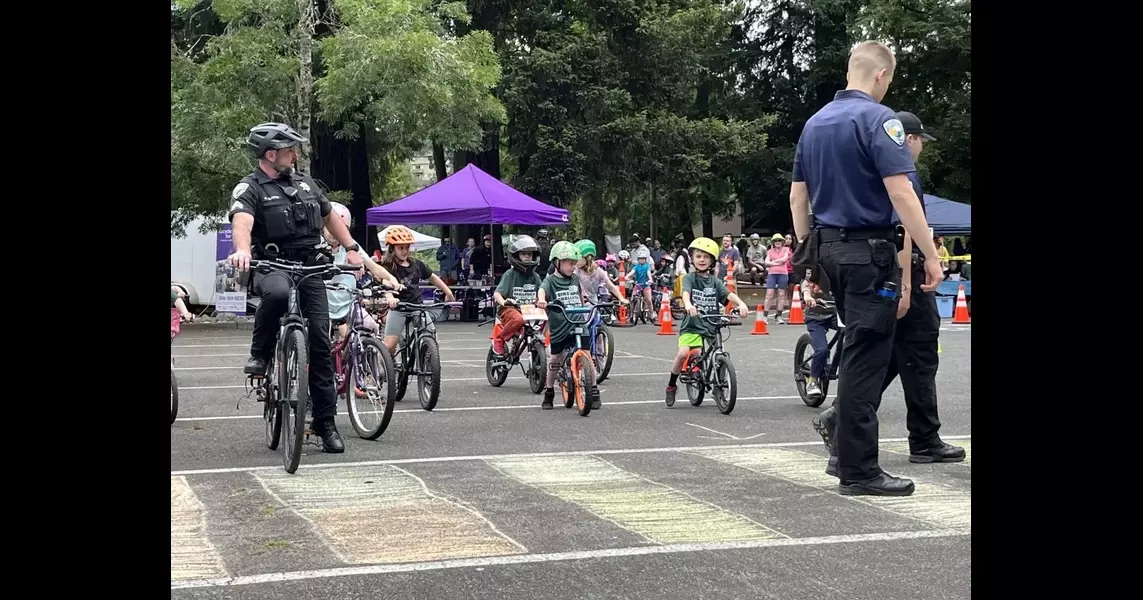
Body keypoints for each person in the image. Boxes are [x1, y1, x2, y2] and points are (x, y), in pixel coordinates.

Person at [788, 42, 943, 496]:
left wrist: (808, 258)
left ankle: (852, 458)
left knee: (860, 346)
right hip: (869, 253)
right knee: (866, 357)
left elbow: (799, 199)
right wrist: (931, 255)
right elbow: (900, 193)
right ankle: (857, 468)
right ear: (881, 76)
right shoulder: (880, 120)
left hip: (830, 249)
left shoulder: (814, 123)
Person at [813, 111, 965, 473]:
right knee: (915, 353)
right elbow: (904, 227)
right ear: (909, 139)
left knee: (894, 355)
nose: (921, 150)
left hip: (876, 267)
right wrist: (907, 286)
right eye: (921, 143)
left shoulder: (870, 162)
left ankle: (855, 421)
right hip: (901, 268)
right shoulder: (900, 169)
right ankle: (920, 438)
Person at [226, 122, 363, 453]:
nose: (295, 155)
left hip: (310, 266)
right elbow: (241, 221)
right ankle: (260, 354)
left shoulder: (307, 184)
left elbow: (330, 217)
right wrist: (243, 250)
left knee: (319, 338)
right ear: (270, 155)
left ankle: (325, 423)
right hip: (272, 264)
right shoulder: (250, 188)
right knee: (275, 294)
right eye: (289, 151)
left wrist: (352, 247)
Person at [664, 237, 750, 406]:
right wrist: (688, 304)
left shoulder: (714, 281)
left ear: (712, 260)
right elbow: (686, 293)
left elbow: (728, 294)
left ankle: (716, 384)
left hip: (711, 323)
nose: (702, 260)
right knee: (683, 354)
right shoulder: (690, 278)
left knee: (718, 352)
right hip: (693, 324)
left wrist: (741, 304)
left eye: (706, 257)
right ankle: (671, 385)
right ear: (693, 259)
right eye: (698, 256)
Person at [324, 202, 400, 341]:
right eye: (330, 229)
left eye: (340, 229)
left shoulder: (351, 246)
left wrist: (391, 278)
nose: (334, 234)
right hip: (323, 305)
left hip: (348, 304)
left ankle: (365, 360)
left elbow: (373, 266)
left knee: (371, 327)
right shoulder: (317, 245)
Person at [379, 226, 456, 358]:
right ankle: (386, 369)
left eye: (407, 247)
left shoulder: (416, 264)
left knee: (432, 335)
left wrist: (448, 293)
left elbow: (433, 277)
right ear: (392, 249)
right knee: (389, 345)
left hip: (417, 307)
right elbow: (386, 282)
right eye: (400, 248)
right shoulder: (388, 266)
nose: (404, 251)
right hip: (399, 308)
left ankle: (428, 363)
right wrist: (390, 297)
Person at [536, 241, 589, 410]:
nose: (573, 267)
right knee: (556, 359)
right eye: (570, 263)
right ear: (557, 262)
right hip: (560, 325)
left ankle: (593, 390)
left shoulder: (574, 278)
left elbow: (579, 294)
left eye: (575, 263)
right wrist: (543, 300)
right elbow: (542, 290)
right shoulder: (550, 280)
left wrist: (584, 304)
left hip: (578, 321)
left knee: (587, 355)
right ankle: (549, 391)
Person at [491, 235, 543, 358]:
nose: (527, 256)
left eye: (530, 254)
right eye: (524, 253)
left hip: (529, 309)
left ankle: (540, 344)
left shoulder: (535, 276)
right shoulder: (510, 275)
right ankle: (499, 338)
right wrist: (503, 302)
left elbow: (542, 291)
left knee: (548, 314)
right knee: (518, 319)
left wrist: (541, 300)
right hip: (511, 309)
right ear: (515, 256)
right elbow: (497, 293)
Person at [801, 280, 838, 401]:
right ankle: (812, 381)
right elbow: (805, 284)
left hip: (835, 316)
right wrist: (807, 295)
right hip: (815, 318)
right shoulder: (816, 271)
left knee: (852, 334)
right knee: (822, 349)